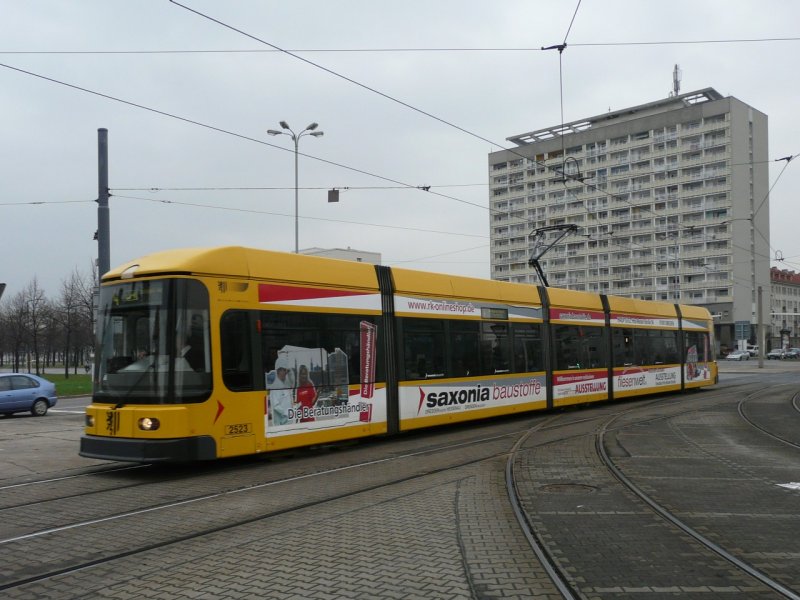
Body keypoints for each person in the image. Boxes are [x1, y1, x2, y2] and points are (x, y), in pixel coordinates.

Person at [267, 356, 295, 425]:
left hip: (288, 419)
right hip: (281, 422)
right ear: (278, 371)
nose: (285, 373)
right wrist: (286, 413)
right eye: (284, 370)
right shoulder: (275, 386)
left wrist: (290, 371)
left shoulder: (285, 384)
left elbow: (293, 383)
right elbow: (276, 405)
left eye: (286, 371)